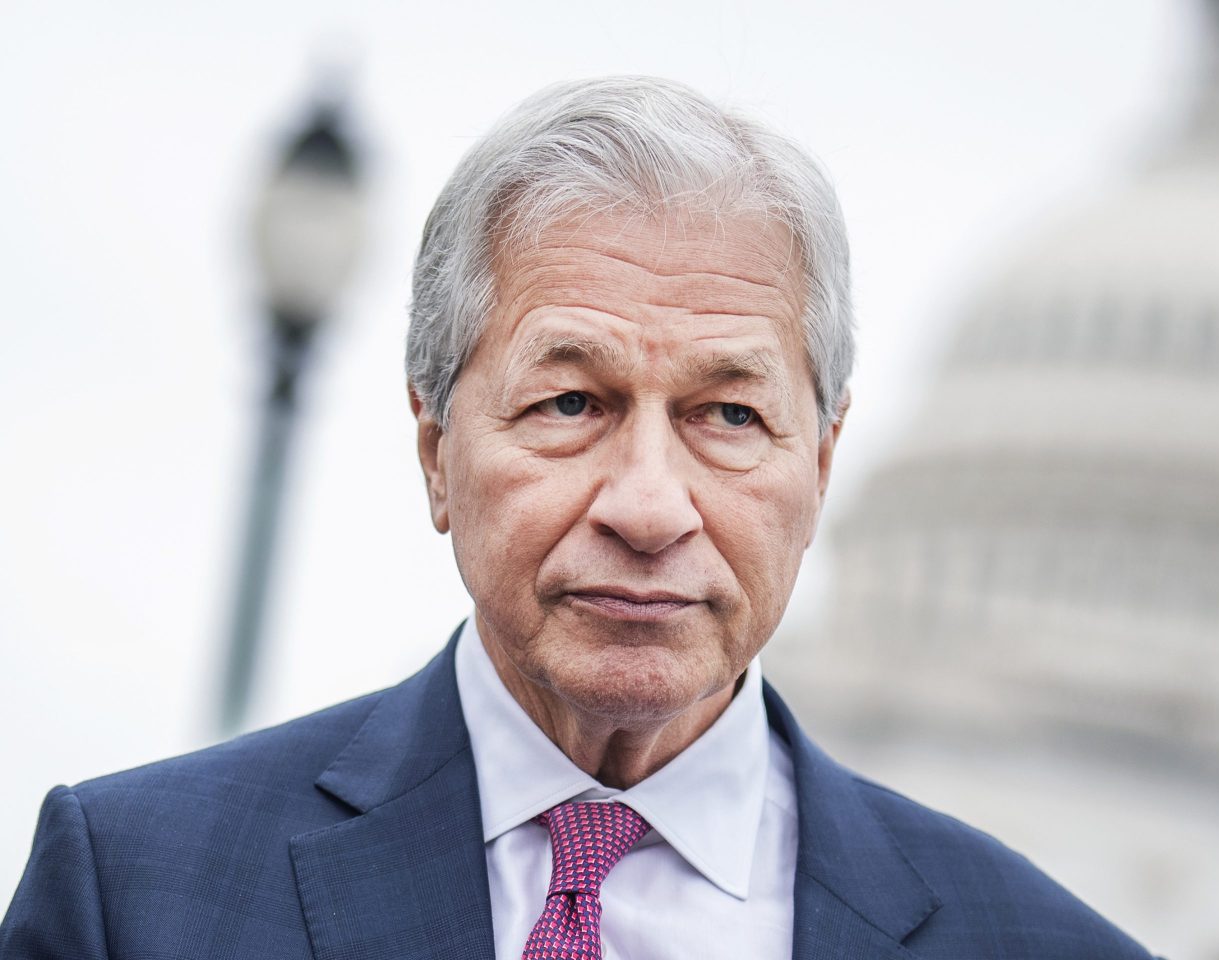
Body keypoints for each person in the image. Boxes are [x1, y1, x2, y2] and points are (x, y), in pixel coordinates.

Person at [1, 76, 1158, 959]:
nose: (650, 507)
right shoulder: (137, 897)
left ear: (823, 460)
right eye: (570, 401)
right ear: (434, 450)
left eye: (728, 415)